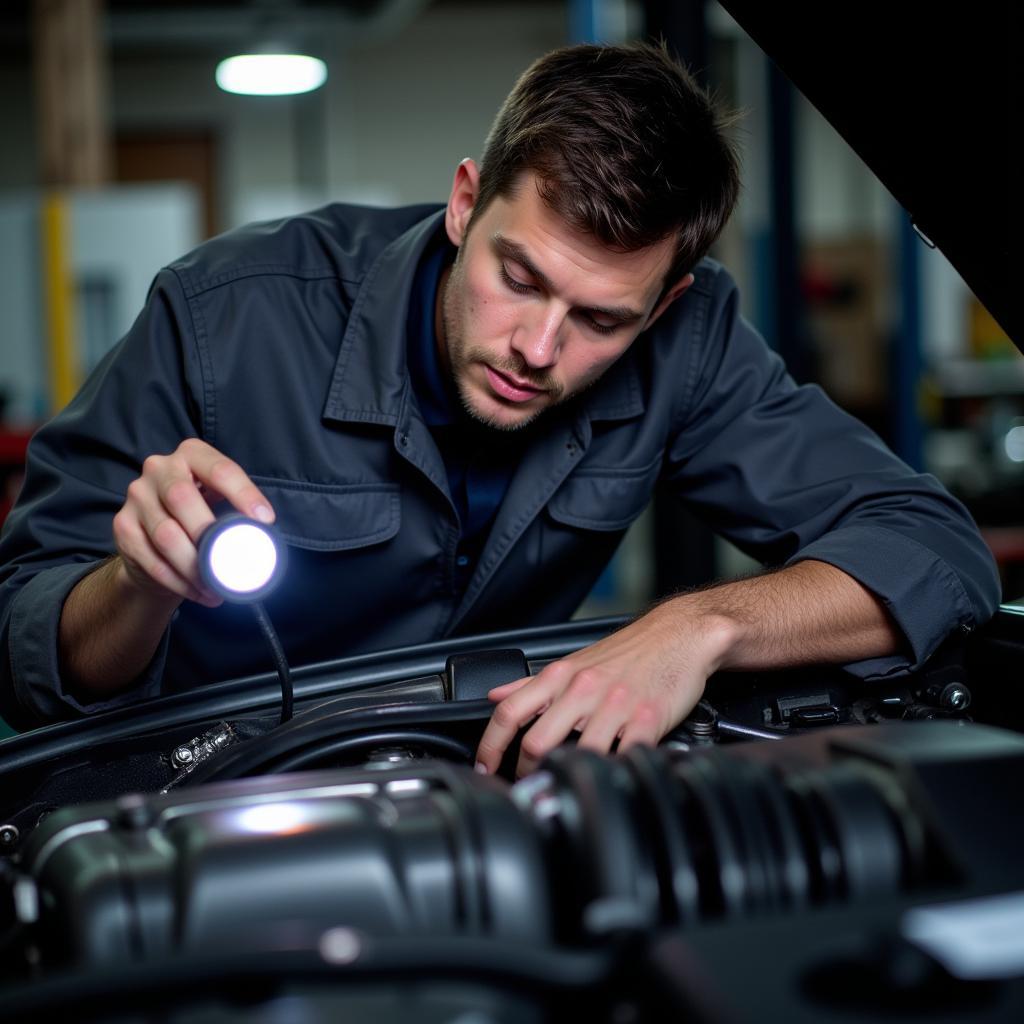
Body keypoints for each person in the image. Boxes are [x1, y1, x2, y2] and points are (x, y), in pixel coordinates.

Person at [0, 43, 1000, 775]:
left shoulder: (688, 345)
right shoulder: (225, 319)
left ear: (666, 306)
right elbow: (28, 651)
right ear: (466, 202)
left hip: (482, 797)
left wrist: (701, 627)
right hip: (205, 803)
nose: (537, 348)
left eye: (601, 319)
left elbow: (930, 546)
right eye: (518, 278)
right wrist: (138, 581)